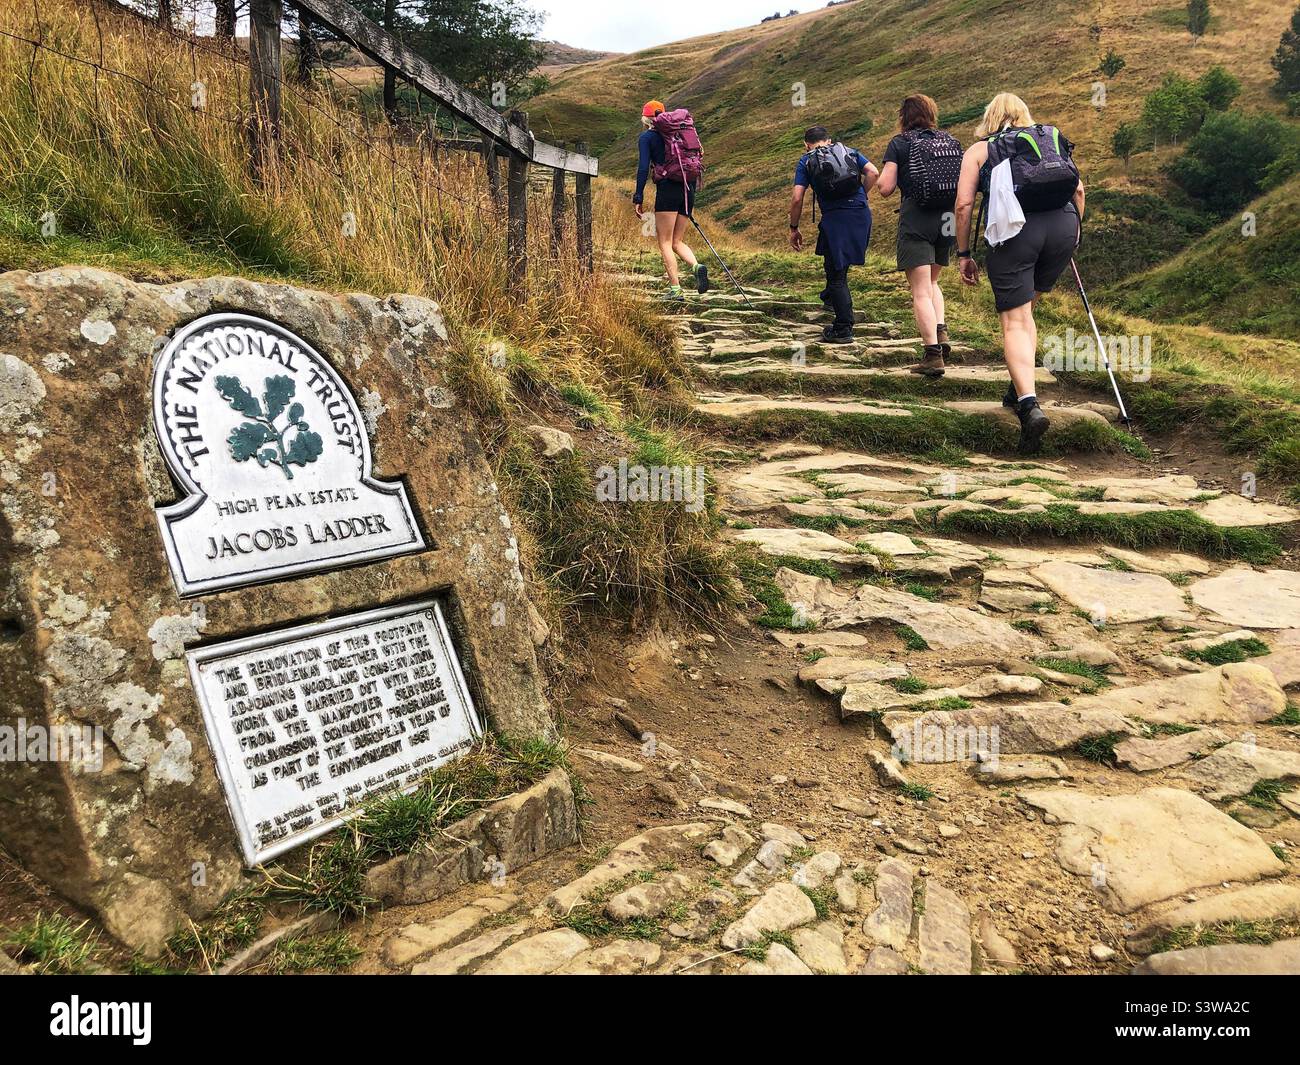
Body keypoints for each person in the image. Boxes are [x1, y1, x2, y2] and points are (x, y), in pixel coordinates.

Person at [954, 93, 1085, 454]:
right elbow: (1079, 189)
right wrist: (1075, 232)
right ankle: (1018, 386)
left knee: (1014, 320)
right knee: (1026, 312)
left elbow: (964, 205)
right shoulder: (1051, 140)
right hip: (1062, 227)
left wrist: (964, 253)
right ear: (1025, 115)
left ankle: (1029, 403)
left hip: (1015, 232)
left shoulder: (981, 150)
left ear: (990, 117)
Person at [876, 94, 962, 377]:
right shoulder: (950, 141)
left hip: (918, 219)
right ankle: (942, 332)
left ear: (904, 117)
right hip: (948, 219)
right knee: (934, 281)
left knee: (920, 289)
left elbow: (885, 188)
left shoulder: (900, 143)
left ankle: (932, 356)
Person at [789, 126, 878, 343]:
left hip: (834, 217)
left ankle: (843, 328)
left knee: (836, 272)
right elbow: (874, 173)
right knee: (835, 259)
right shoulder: (849, 151)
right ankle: (830, 297)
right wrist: (861, 195)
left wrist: (794, 227)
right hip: (859, 213)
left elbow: (797, 198)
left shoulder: (806, 161)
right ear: (829, 140)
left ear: (806, 144)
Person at [633, 100, 709, 302]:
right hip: (688, 188)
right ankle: (696, 266)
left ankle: (675, 290)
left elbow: (642, 169)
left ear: (646, 118)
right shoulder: (680, 133)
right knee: (677, 241)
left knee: (665, 242)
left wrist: (638, 196)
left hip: (668, 188)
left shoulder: (647, 137)